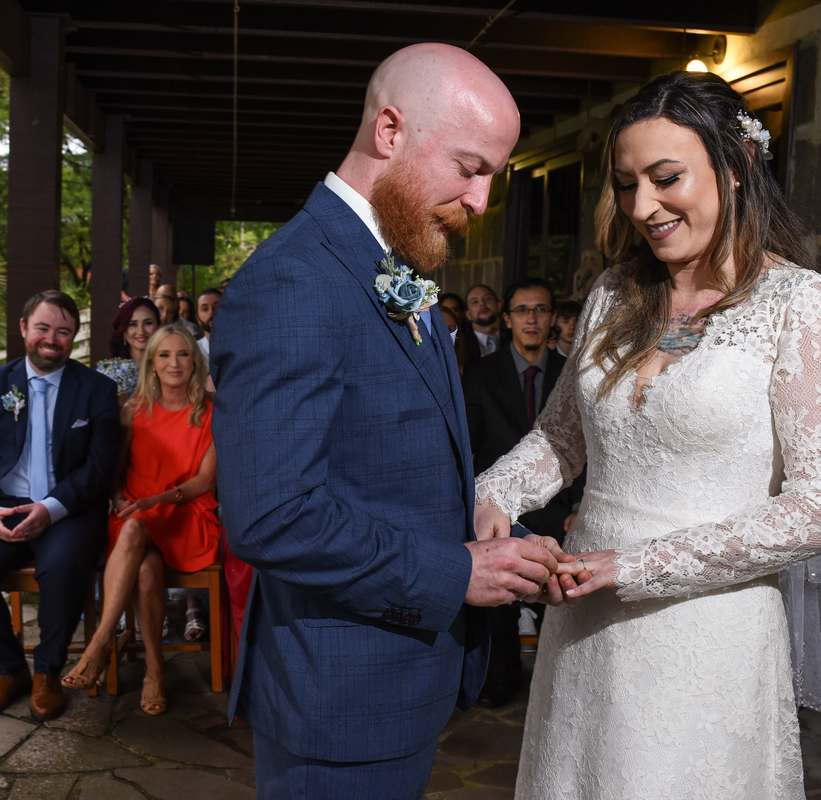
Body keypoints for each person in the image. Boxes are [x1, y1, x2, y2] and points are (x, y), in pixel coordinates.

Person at [473, 71, 821, 799]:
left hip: (705, 631)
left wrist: (635, 566)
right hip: (585, 617)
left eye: (665, 178)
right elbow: (561, 436)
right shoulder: (613, 294)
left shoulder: (805, 307)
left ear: (737, 164)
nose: (642, 207)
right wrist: (495, 493)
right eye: (627, 185)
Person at [210, 43, 572, 799]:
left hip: (395, 681)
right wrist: (458, 572)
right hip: (337, 698)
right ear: (389, 131)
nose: (480, 201)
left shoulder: (389, 262)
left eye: (492, 177)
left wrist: (480, 519)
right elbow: (273, 515)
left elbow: (384, 458)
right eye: (470, 168)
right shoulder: (294, 280)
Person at [0, 290, 120, 721]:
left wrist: (53, 507)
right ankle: (9, 670)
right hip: (3, 506)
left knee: (62, 568)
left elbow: (99, 467)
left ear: (74, 336)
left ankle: (47, 671)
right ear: (24, 328)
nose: (51, 339)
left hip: (68, 507)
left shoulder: (97, 389)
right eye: (42, 328)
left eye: (63, 331)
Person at [61, 326, 220, 715]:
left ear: (195, 362)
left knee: (134, 529)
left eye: (183, 354)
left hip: (184, 511)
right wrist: (119, 498)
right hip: (134, 511)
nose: (174, 363)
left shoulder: (212, 412)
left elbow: (203, 481)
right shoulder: (133, 409)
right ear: (151, 364)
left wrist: (154, 501)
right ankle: (155, 669)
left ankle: (100, 645)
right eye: (164, 355)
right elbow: (114, 474)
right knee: (146, 572)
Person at [461, 276, 586, 708]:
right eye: (522, 310)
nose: (531, 318)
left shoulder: (573, 374)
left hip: (560, 509)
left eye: (540, 309)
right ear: (507, 318)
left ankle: (556, 685)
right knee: (499, 603)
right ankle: (501, 675)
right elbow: (470, 446)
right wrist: (483, 502)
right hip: (497, 507)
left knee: (563, 599)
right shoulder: (482, 374)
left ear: (552, 319)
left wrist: (577, 505)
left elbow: (589, 445)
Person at [95, 297, 159, 399]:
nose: (141, 331)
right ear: (123, 330)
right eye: (133, 324)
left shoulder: (169, 368)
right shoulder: (108, 373)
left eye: (148, 323)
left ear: (159, 327)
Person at [466, 284, 502, 356]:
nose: (482, 303)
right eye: (475, 302)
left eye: (487, 298)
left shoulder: (514, 338)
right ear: (468, 314)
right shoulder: (461, 346)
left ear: (499, 306)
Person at [195, 288, 223, 360]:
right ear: (197, 318)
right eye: (205, 309)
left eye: (217, 307)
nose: (211, 312)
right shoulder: (193, 351)